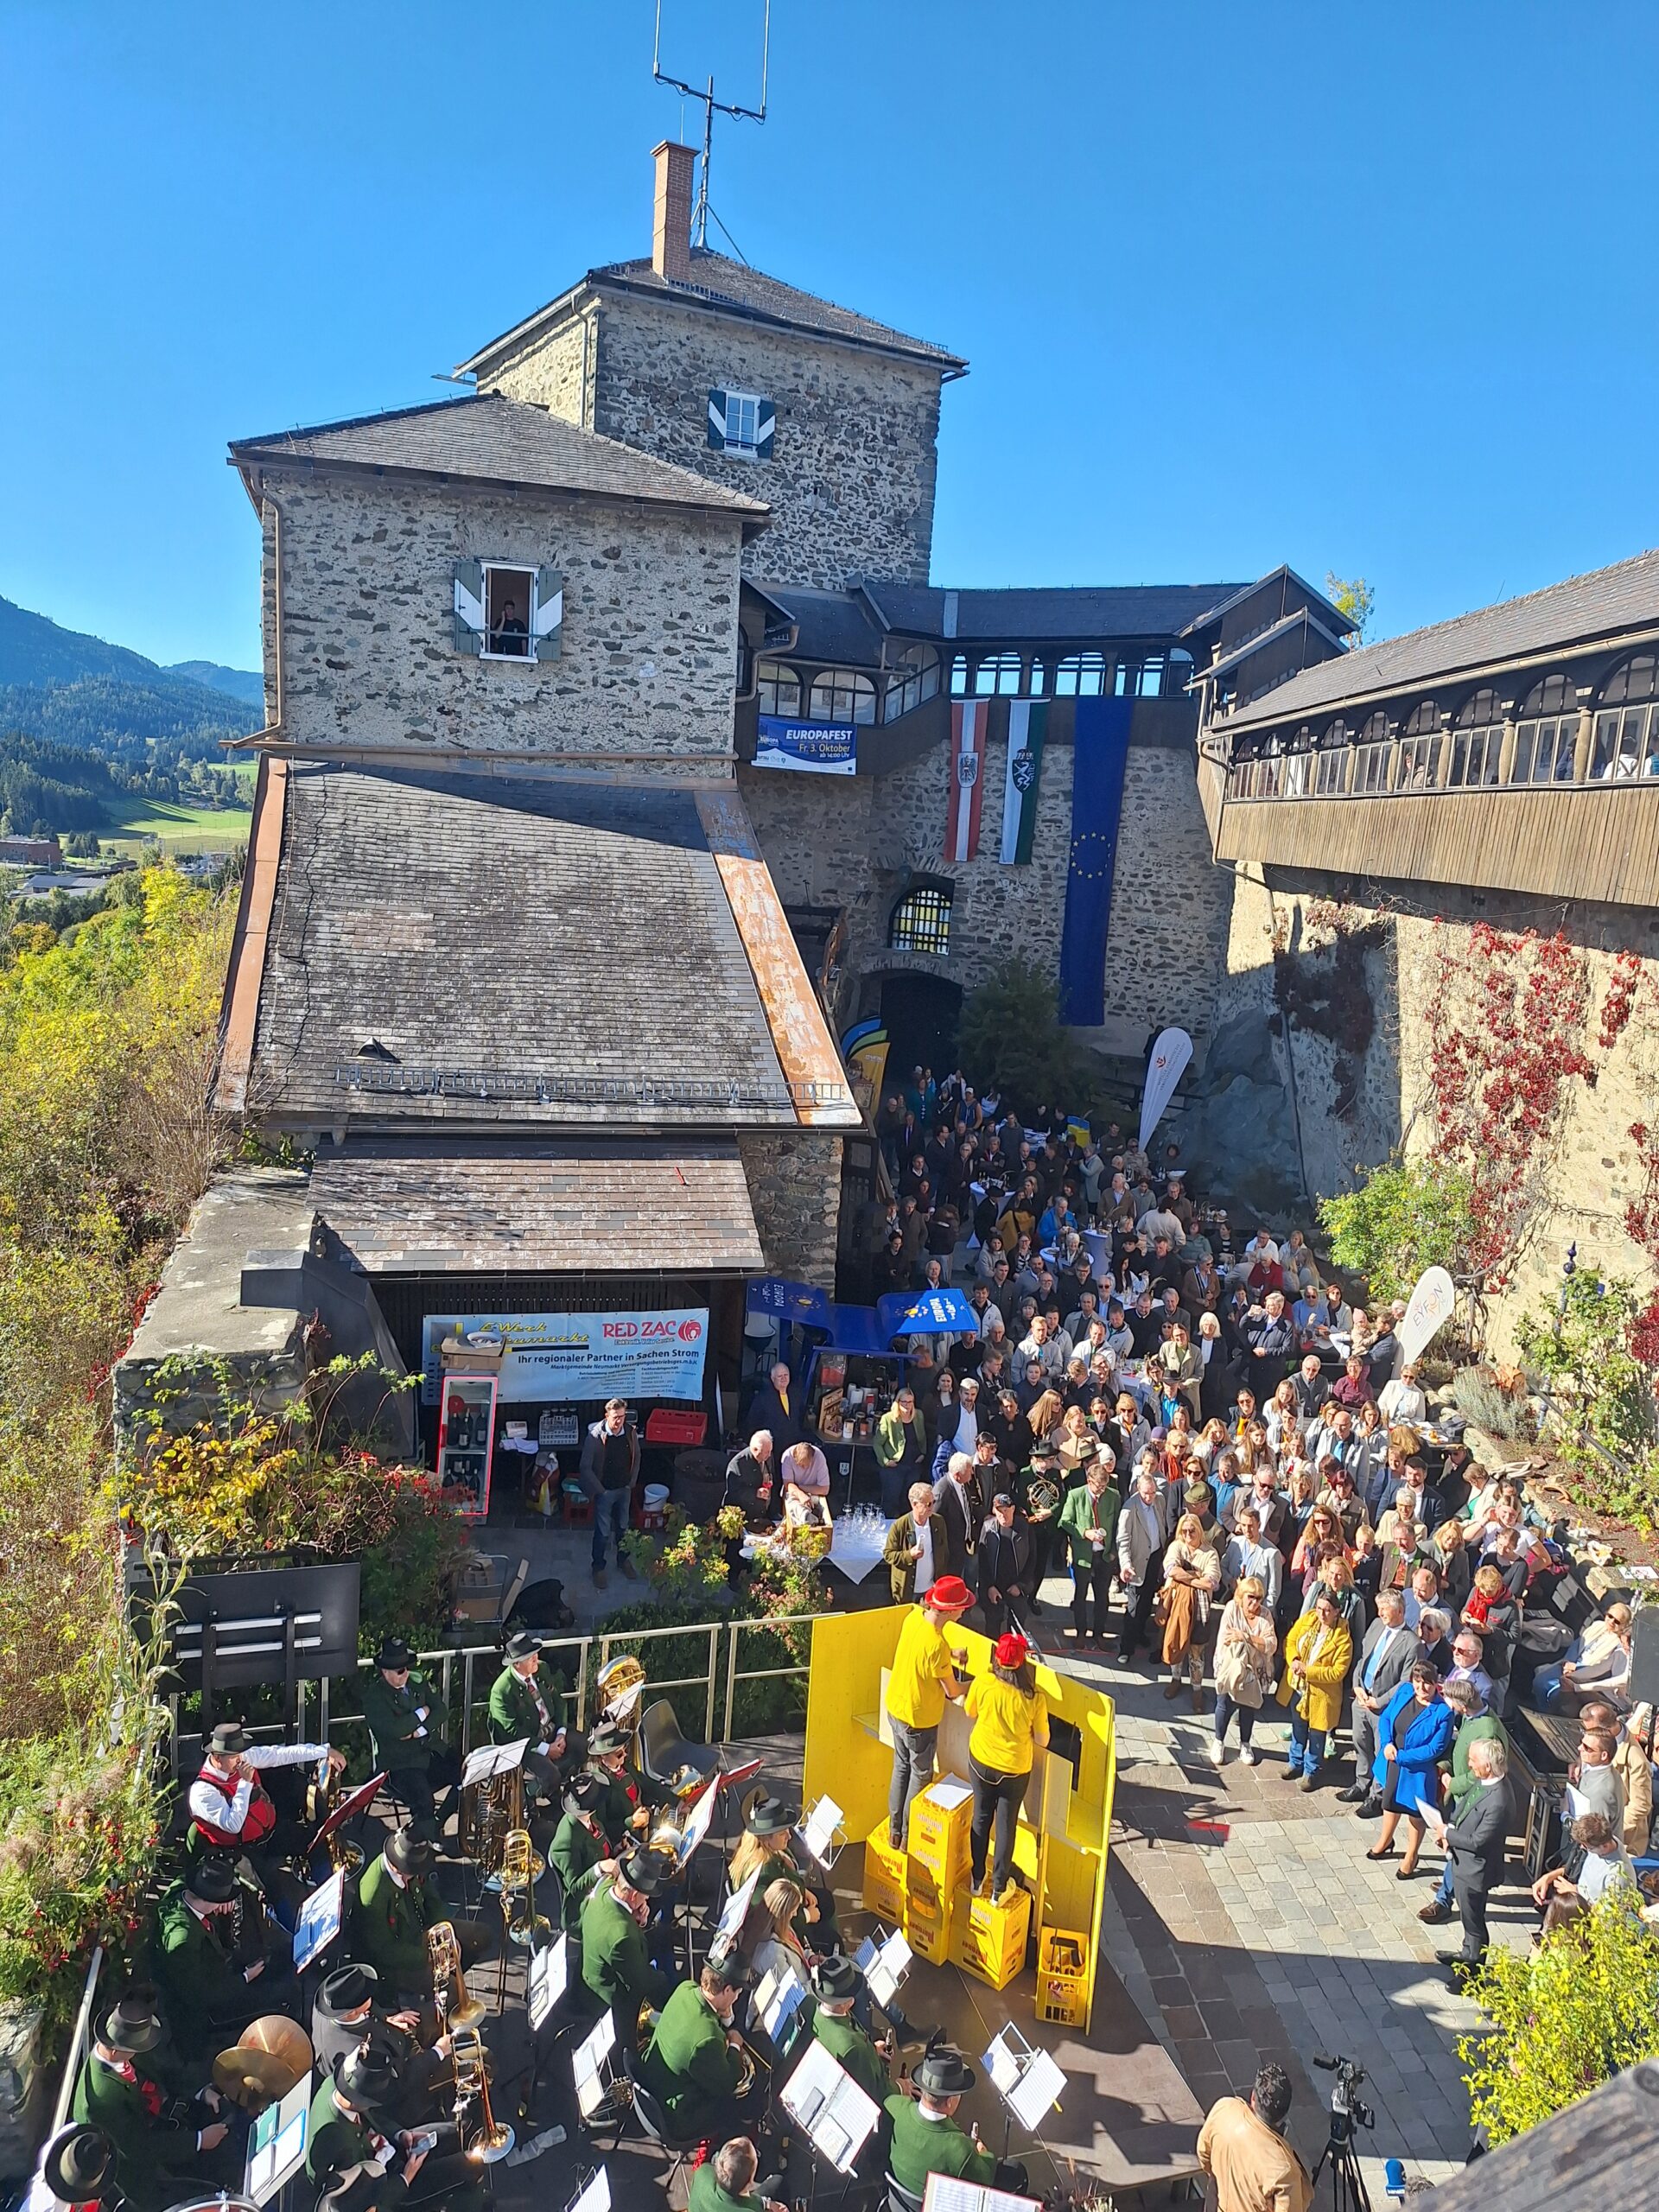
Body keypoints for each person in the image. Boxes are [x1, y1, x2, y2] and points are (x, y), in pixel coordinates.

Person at [72, 1995, 231, 2212]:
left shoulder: (127, 2050)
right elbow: (139, 2146)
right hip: (138, 2171)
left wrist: (202, 2092)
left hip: (154, 2122)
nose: (142, 2049)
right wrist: (199, 2140)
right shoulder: (101, 2101)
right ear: (115, 2049)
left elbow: (167, 2072)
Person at [154, 1857, 288, 2056]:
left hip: (215, 1971)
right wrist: (245, 1978)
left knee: (278, 1955)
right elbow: (199, 1994)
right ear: (209, 1900)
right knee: (277, 1992)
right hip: (203, 2003)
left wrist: (225, 1899)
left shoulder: (182, 1886)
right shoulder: (183, 1942)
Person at [883, 1575, 973, 1846]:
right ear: (950, 1610)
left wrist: (951, 1655)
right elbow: (953, 1691)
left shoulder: (915, 1620)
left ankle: (895, 1830)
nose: (964, 1610)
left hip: (896, 1708)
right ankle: (910, 1837)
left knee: (901, 1768)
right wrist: (978, 1683)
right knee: (920, 1775)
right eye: (962, 1606)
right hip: (918, 1721)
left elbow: (924, 1655)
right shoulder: (937, 1646)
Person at [186, 1718, 345, 1870]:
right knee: (281, 1894)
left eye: (241, 1754)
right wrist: (245, 1783)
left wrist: (324, 1751)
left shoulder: (241, 1758)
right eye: (234, 1757)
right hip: (243, 1852)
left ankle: (330, 1889)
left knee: (316, 1844)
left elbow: (279, 1755)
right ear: (217, 1757)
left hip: (270, 1832)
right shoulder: (202, 1792)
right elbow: (233, 1825)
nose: (241, 1760)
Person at [356, 1826, 490, 2005]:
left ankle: (449, 1977)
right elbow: (384, 1951)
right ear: (397, 1868)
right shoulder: (373, 1896)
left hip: (423, 1933)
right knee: (451, 1992)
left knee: (481, 1935)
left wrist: (444, 1933)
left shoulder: (413, 1864)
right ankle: (442, 2013)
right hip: (399, 1959)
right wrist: (427, 1957)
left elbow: (431, 1898)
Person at [1416, 1678, 1507, 1929]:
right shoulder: (1472, 1717)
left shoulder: (1487, 1731)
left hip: (1474, 1799)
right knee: (1454, 1848)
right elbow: (1461, 1750)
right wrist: (1446, 1766)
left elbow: (1481, 1773)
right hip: (1462, 1795)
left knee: (1458, 1850)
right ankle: (1452, 1882)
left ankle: (1443, 1901)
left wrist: (1451, 1782)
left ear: (1463, 1705)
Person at [965, 1632, 1049, 1902]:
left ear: (997, 1660)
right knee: (1005, 1827)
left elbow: (970, 1711)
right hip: (1014, 1771)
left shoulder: (985, 1681)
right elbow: (1043, 1740)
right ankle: (998, 1889)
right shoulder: (1034, 1698)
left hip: (980, 1762)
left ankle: (977, 1879)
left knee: (980, 1818)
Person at [639, 1959, 764, 2139]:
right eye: (737, 1993)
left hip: (652, 2083)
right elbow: (727, 2083)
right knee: (740, 2102)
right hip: (676, 2116)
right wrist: (735, 2045)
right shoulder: (707, 2038)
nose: (736, 1998)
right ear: (727, 1990)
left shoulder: (686, 1988)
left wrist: (727, 2017)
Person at [1363, 1663, 1456, 1878]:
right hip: (1391, 1759)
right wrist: (1387, 1743)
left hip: (1416, 1771)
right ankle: (1385, 1841)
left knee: (1415, 1814)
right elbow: (1386, 1718)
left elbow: (1435, 1748)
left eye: (1427, 1683)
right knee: (1390, 1803)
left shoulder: (1442, 1712)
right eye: (1418, 1681)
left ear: (1436, 1685)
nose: (1421, 1687)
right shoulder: (1405, 1691)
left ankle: (1411, 1855)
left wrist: (1402, 1756)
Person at [885, 2046, 1019, 2194]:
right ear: (949, 2102)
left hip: (898, 2199)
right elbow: (986, 2176)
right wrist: (983, 2152)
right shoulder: (961, 2151)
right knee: (1015, 2172)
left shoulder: (895, 2106)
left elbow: (890, 2101)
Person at [361, 1641, 463, 1827]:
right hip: (399, 1763)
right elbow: (396, 1730)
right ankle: (420, 1839)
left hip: (429, 1751)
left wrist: (419, 1730)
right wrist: (422, 1712)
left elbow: (441, 1710)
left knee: (468, 1775)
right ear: (385, 1672)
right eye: (400, 1671)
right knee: (424, 1801)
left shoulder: (417, 1680)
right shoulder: (374, 1697)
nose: (406, 1673)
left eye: (407, 1668)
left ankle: (437, 1823)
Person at [1339, 1591, 1420, 1813]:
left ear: (1400, 1611)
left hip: (1383, 1708)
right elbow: (1363, 1658)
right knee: (1360, 1744)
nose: (1380, 1612)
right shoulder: (1376, 1625)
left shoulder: (1412, 1643)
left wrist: (1380, 1701)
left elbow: (1406, 1682)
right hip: (1361, 1700)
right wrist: (1356, 1684)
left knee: (1379, 1751)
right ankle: (1361, 1783)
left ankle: (1376, 1796)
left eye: (1385, 1608)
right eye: (1380, 1607)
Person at [578, 1848, 673, 2031]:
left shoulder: (605, 1886)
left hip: (596, 1958)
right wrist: (663, 1979)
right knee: (663, 1984)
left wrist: (637, 1916)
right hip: (610, 1991)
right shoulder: (622, 1936)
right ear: (634, 1895)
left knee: (662, 1936)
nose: (647, 1899)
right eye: (646, 1895)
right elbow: (640, 1981)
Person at [1196, 2063, 1311, 2212]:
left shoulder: (1225, 2108)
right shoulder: (1285, 2171)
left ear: (1253, 2098)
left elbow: (1203, 2153)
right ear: (1285, 2112)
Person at [486, 1630, 575, 1805]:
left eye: (535, 1654)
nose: (536, 1659)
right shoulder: (501, 1690)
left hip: (551, 1732)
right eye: (530, 1657)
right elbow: (512, 1731)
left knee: (583, 1746)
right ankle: (524, 1799)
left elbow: (559, 1701)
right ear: (517, 1664)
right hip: (525, 1745)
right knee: (551, 1775)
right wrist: (545, 1748)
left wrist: (561, 1733)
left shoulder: (541, 1669)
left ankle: (558, 1795)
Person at [1276, 1588, 1352, 1791]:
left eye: (1327, 1610)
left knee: (1317, 1735)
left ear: (1337, 1611)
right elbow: (1291, 1640)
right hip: (1298, 1689)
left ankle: (1312, 1771)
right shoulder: (1309, 1619)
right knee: (1298, 1726)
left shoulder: (1343, 1638)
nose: (1322, 1614)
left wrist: (1308, 1671)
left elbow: (1337, 1672)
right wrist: (1293, 1660)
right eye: (1319, 1608)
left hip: (1322, 1695)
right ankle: (1295, 1762)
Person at [1530, 1808, 1635, 1938]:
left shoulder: (1618, 1876)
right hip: (1573, 1909)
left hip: (1589, 1930)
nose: (1583, 1848)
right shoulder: (1604, 1843)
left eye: (1587, 1847)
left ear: (1605, 1846)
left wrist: (1575, 1894)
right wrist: (1548, 1877)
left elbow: (1609, 1919)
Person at [1210, 1574, 1278, 1767]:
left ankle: (1245, 1744)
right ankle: (1219, 1741)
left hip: (1254, 1672)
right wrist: (1256, 1642)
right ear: (1242, 1595)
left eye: (1258, 1598)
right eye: (1251, 1597)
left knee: (1248, 1707)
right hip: (1230, 1665)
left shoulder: (1265, 1615)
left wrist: (1245, 1637)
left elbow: (1271, 1644)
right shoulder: (1233, 1608)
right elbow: (1226, 1637)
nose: (1255, 1602)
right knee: (1224, 1704)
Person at [808, 1953, 893, 2108]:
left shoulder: (811, 2007)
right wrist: (901, 2087)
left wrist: (872, 2050)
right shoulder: (852, 2047)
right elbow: (874, 2092)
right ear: (845, 2004)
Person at [1159, 1510, 1221, 1709]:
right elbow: (1170, 1569)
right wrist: (1196, 1577)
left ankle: (1196, 1689)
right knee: (1176, 1643)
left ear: (1200, 1532)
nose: (1188, 1535)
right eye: (1184, 1531)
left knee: (1197, 1653)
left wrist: (1184, 1577)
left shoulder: (1210, 1553)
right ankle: (1175, 1680)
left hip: (1200, 1613)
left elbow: (1211, 1583)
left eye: (1192, 1531)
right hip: (1176, 1608)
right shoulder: (1176, 1546)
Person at [1058, 1457, 1121, 1648]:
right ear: (1089, 1481)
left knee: (1102, 1597)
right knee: (1081, 1596)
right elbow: (1064, 1522)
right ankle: (1081, 1633)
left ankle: (1099, 1633)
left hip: (1104, 1556)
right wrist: (1084, 1533)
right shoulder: (1076, 1496)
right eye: (1098, 1487)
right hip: (1083, 1556)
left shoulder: (1114, 1496)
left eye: (1105, 1486)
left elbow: (1119, 1525)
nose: (1102, 1490)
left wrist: (1113, 1553)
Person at [580, 1397, 640, 1588]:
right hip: (605, 1491)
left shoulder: (630, 1433)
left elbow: (637, 1457)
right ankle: (598, 1567)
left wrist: (632, 1482)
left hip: (624, 1489)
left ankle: (623, 1561)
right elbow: (585, 1467)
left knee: (624, 1528)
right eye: (615, 1417)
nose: (619, 1421)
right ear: (607, 1416)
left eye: (622, 1417)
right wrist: (601, 1491)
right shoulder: (595, 1437)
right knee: (603, 1533)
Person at [883, 1481, 955, 1604]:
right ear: (914, 1504)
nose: (931, 1507)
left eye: (933, 1502)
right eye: (927, 1504)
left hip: (931, 1589)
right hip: (907, 1591)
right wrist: (909, 1555)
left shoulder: (938, 1522)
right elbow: (888, 1555)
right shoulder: (900, 1526)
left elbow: (944, 1552)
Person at [976, 1490, 1033, 1640]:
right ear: (994, 1511)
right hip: (994, 1586)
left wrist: (1020, 1585)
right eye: (999, 1512)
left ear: (1013, 1509)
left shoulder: (1024, 1528)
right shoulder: (988, 1527)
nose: (1003, 1515)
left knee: (1017, 1626)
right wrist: (989, 1586)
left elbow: (1032, 1559)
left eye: (1006, 1511)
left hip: (1016, 1586)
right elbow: (982, 1561)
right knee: (992, 1626)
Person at [689, 2137, 786, 2212]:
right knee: (778, 2180)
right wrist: (769, 2204)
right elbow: (751, 2204)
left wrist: (767, 2203)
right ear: (749, 2184)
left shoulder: (703, 2172)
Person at [874, 1387, 931, 1516]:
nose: (907, 1405)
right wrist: (885, 1461)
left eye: (910, 1402)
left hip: (913, 1465)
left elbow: (922, 1437)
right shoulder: (888, 1419)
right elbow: (877, 1443)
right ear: (898, 1402)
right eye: (904, 1402)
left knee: (909, 1502)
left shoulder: (919, 1415)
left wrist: (923, 1453)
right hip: (895, 1466)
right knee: (892, 1501)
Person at [747, 1359, 802, 1456]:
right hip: (773, 1451)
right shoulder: (763, 1398)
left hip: (793, 1449)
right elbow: (752, 1422)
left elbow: (800, 1418)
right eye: (780, 1376)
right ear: (773, 1379)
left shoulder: (795, 1395)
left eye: (786, 1375)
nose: (784, 1378)